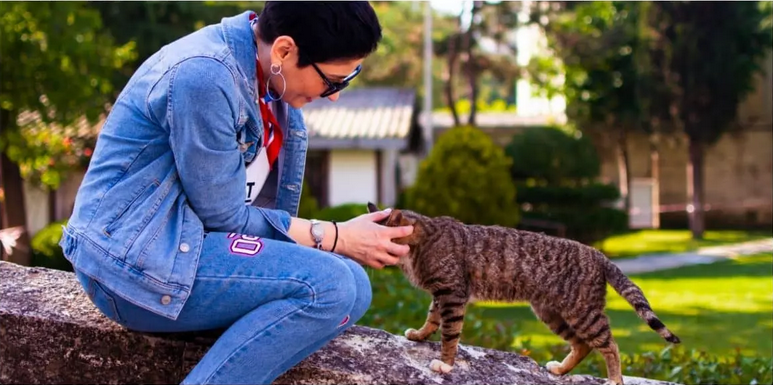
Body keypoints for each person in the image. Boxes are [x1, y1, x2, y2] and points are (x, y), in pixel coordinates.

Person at [58, 2, 413, 384]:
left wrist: (337, 241)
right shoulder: (205, 76)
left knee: (354, 285)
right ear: (284, 51)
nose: (334, 96)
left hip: (191, 249)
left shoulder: (271, 86)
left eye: (348, 79)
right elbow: (226, 218)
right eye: (332, 81)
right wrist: (335, 235)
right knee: (330, 287)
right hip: (134, 265)